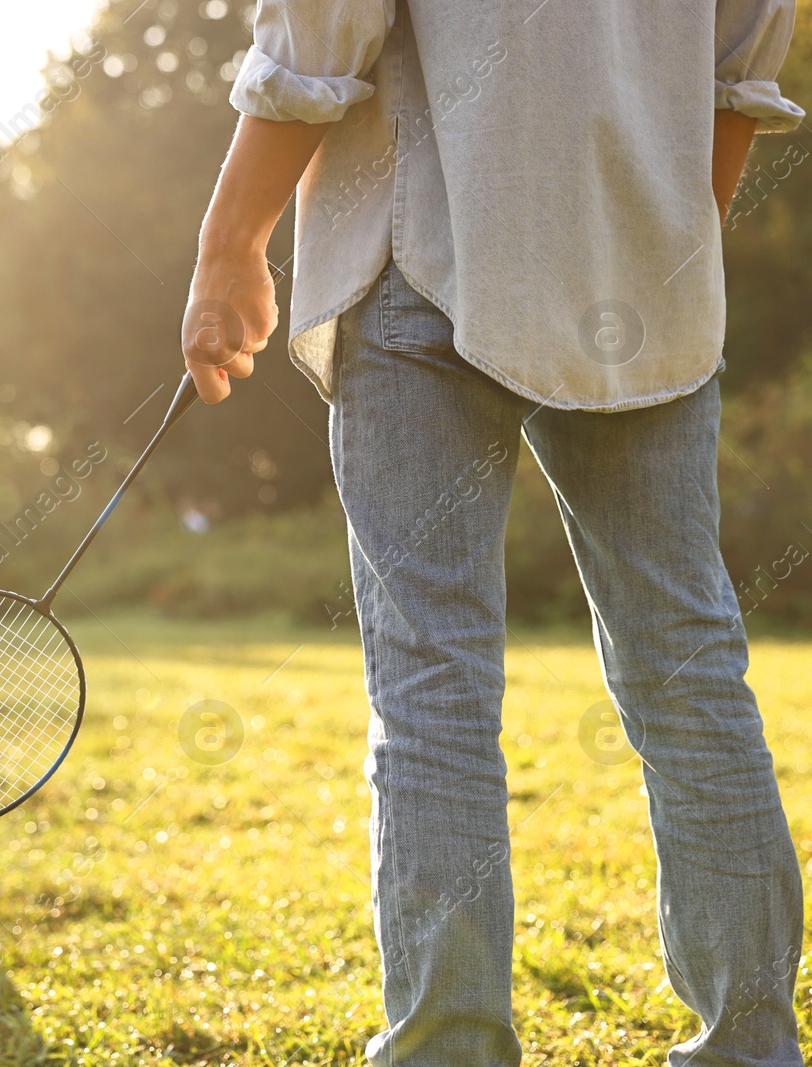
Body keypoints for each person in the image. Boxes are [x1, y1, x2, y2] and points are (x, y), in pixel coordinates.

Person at [180, 3, 803, 1065]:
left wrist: (229, 242)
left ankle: (447, 1047)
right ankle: (751, 1040)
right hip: (640, 279)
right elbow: (739, 66)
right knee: (689, 664)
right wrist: (653, 249)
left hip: (427, 258)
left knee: (431, 679)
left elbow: (319, 35)